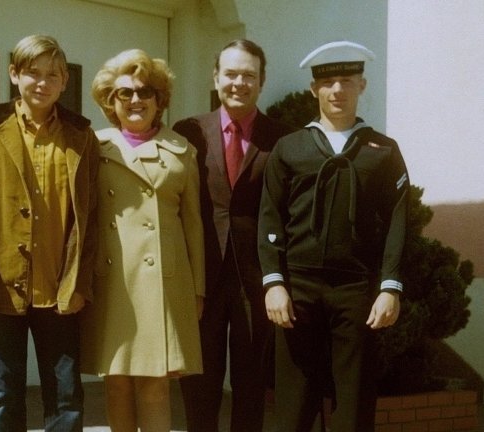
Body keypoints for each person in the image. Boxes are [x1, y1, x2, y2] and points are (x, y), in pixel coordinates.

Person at [0, 35, 99, 432]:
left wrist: (81, 282)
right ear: (14, 74)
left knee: (66, 401)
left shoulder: (82, 135)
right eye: (33, 72)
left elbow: (92, 216)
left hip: (60, 291)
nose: (42, 83)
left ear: (65, 82)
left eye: (53, 75)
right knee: (2, 399)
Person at [258, 41, 409, 432]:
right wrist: (274, 283)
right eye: (327, 82)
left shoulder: (383, 150)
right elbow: (270, 216)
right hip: (298, 287)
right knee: (294, 402)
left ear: (362, 85)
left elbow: (397, 220)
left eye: (345, 80)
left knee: (354, 403)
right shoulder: (289, 147)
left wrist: (389, 287)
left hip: (355, 289)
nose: (336, 90)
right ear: (314, 90)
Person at [78, 48, 205, 432]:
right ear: (109, 101)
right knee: (116, 384)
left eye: (145, 92)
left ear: (159, 99)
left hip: (164, 284)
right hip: (112, 281)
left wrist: (197, 289)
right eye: (124, 93)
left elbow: (193, 226)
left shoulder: (182, 150)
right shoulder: (92, 146)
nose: (135, 100)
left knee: (155, 387)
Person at [172, 39, 292, 432]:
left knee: (250, 384)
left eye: (249, 75)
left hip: (257, 279)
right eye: (231, 74)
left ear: (262, 81)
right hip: (201, 278)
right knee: (200, 384)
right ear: (216, 77)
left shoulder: (283, 138)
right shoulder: (188, 132)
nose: (239, 82)